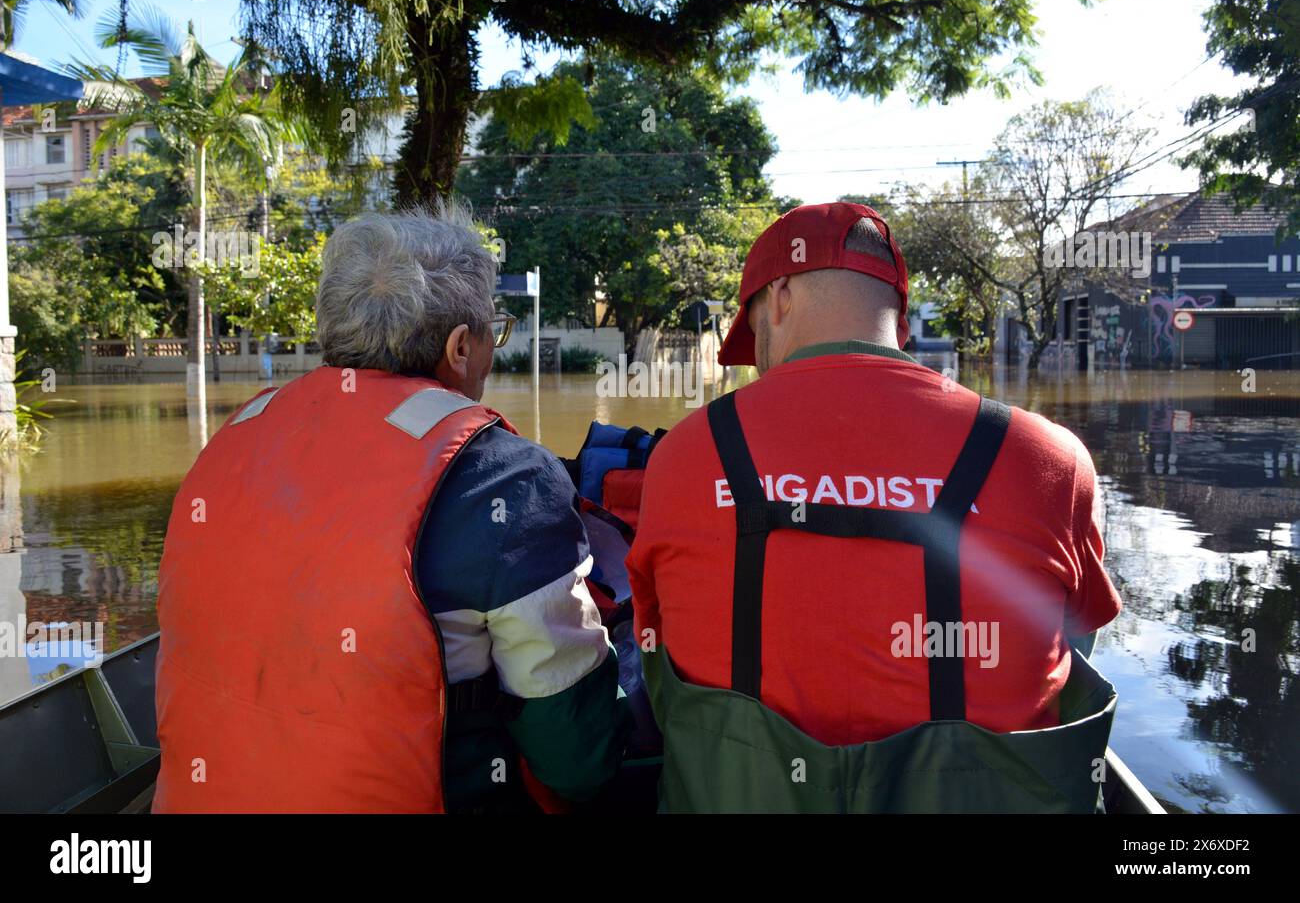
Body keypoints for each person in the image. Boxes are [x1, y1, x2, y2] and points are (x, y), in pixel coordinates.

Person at [626, 201, 1123, 812]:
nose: (756, 360)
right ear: (901, 322)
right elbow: (1075, 635)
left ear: (778, 296)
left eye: (753, 332)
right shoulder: (1050, 458)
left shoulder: (682, 455)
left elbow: (655, 636)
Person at [154, 202, 628, 813]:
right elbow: (577, 761)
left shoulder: (232, 440)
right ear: (461, 347)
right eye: (495, 332)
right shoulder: (504, 476)